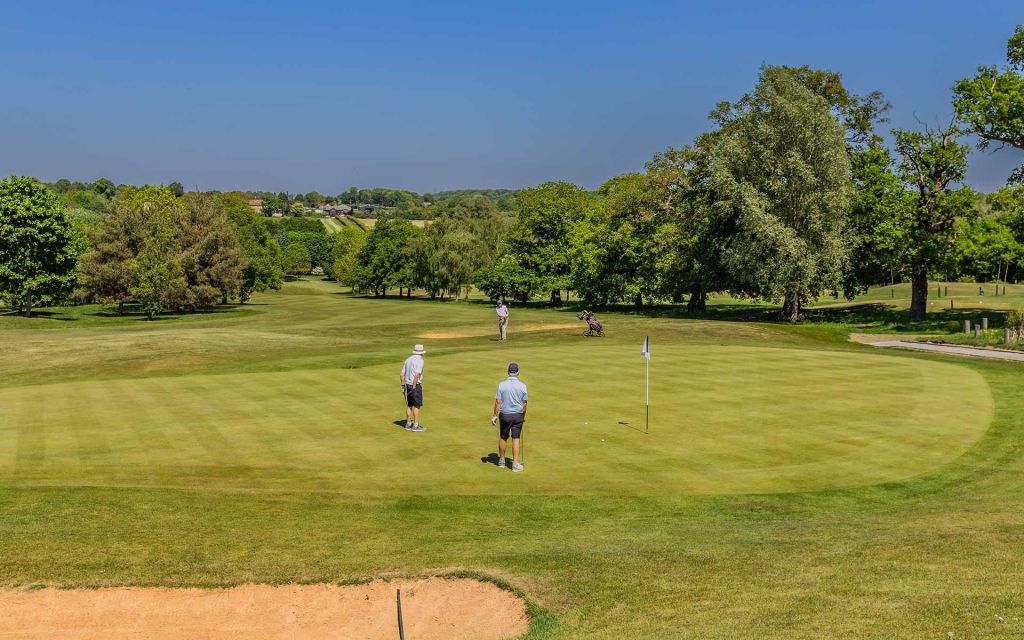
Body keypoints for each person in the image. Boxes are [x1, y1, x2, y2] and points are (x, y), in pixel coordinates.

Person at [491, 362, 528, 472]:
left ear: (508, 372)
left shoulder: (502, 384)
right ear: (517, 372)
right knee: (516, 438)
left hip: (505, 415)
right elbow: (524, 404)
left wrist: (494, 415)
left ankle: (501, 461)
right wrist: (523, 416)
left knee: (503, 437)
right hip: (517, 415)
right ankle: (515, 464)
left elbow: (498, 401)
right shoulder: (523, 385)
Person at [400, 344, 426, 432]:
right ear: (421, 353)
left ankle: (408, 424)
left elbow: (402, 374)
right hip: (415, 385)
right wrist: (414, 386)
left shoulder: (408, 360)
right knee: (416, 405)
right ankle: (415, 425)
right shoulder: (420, 361)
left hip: (407, 385)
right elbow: (417, 374)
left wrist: (403, 386)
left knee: (409, 405)